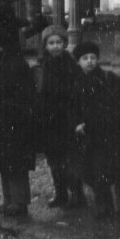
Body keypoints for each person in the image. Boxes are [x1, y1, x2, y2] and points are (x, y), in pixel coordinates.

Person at [75, 41, 120, 220]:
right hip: (92, 136)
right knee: (97, 171)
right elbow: (72, 106)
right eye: (85, 58)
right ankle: (104, 207)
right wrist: (77, 123)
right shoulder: (77, 82)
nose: (90, 61)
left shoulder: (109, 78)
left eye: (93, 58)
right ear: (78, 62)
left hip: (114, 133)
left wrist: (116, 116)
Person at [0, 33, 40, 220]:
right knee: (6, 162)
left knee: (15, 163)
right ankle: (10, 201)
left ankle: (19, 203)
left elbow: (13, 95)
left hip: (15, 122)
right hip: (5, 121)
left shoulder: (13, 66)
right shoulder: (4, 64)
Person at [35, 27, 87, 210]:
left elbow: (75, 95)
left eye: (58, 42)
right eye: (51, 43)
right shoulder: (44, 65)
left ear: (65, 44)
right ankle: (60, 193)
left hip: (66, 120)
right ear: (46, 45)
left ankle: (77, 194)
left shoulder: (71, 66)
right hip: (50, 121)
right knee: (54, 160)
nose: (55, 46)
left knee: (70, 159)